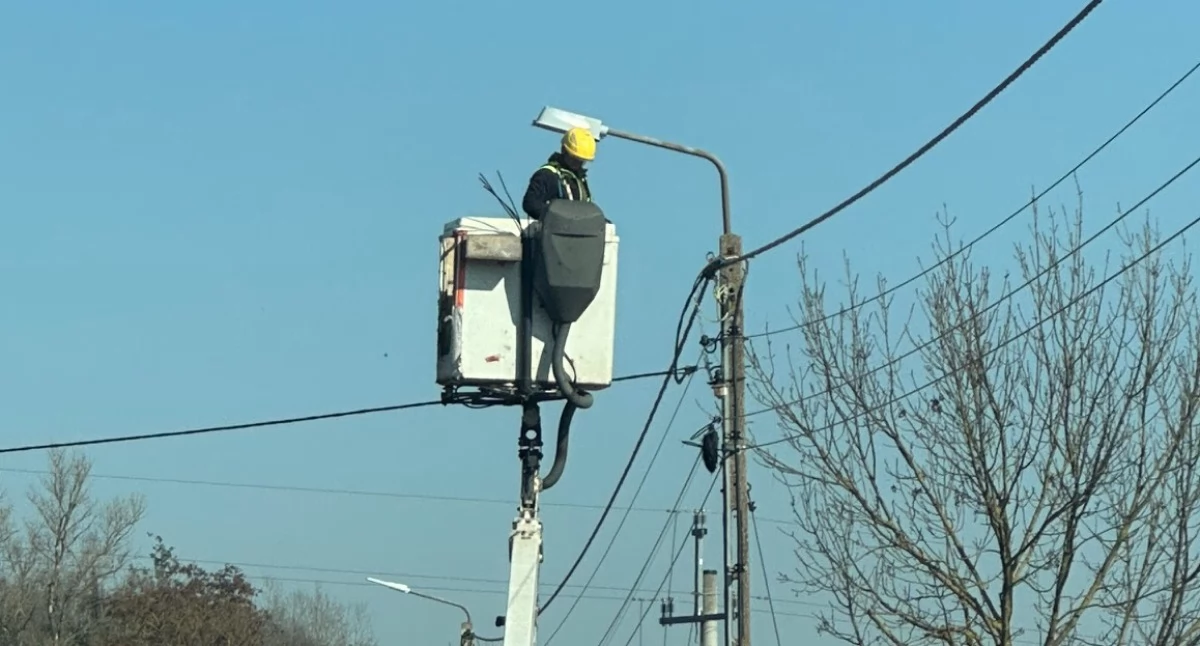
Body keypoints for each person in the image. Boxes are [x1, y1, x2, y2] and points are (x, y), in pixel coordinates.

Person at [522, 127, 595, 220]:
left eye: (582, 160)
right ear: (563, 150)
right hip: (555, 228)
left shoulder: (579, 180)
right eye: (574, 158)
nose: (578, 163)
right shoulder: (547, 175)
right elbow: (530, 204)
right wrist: (557, 218)